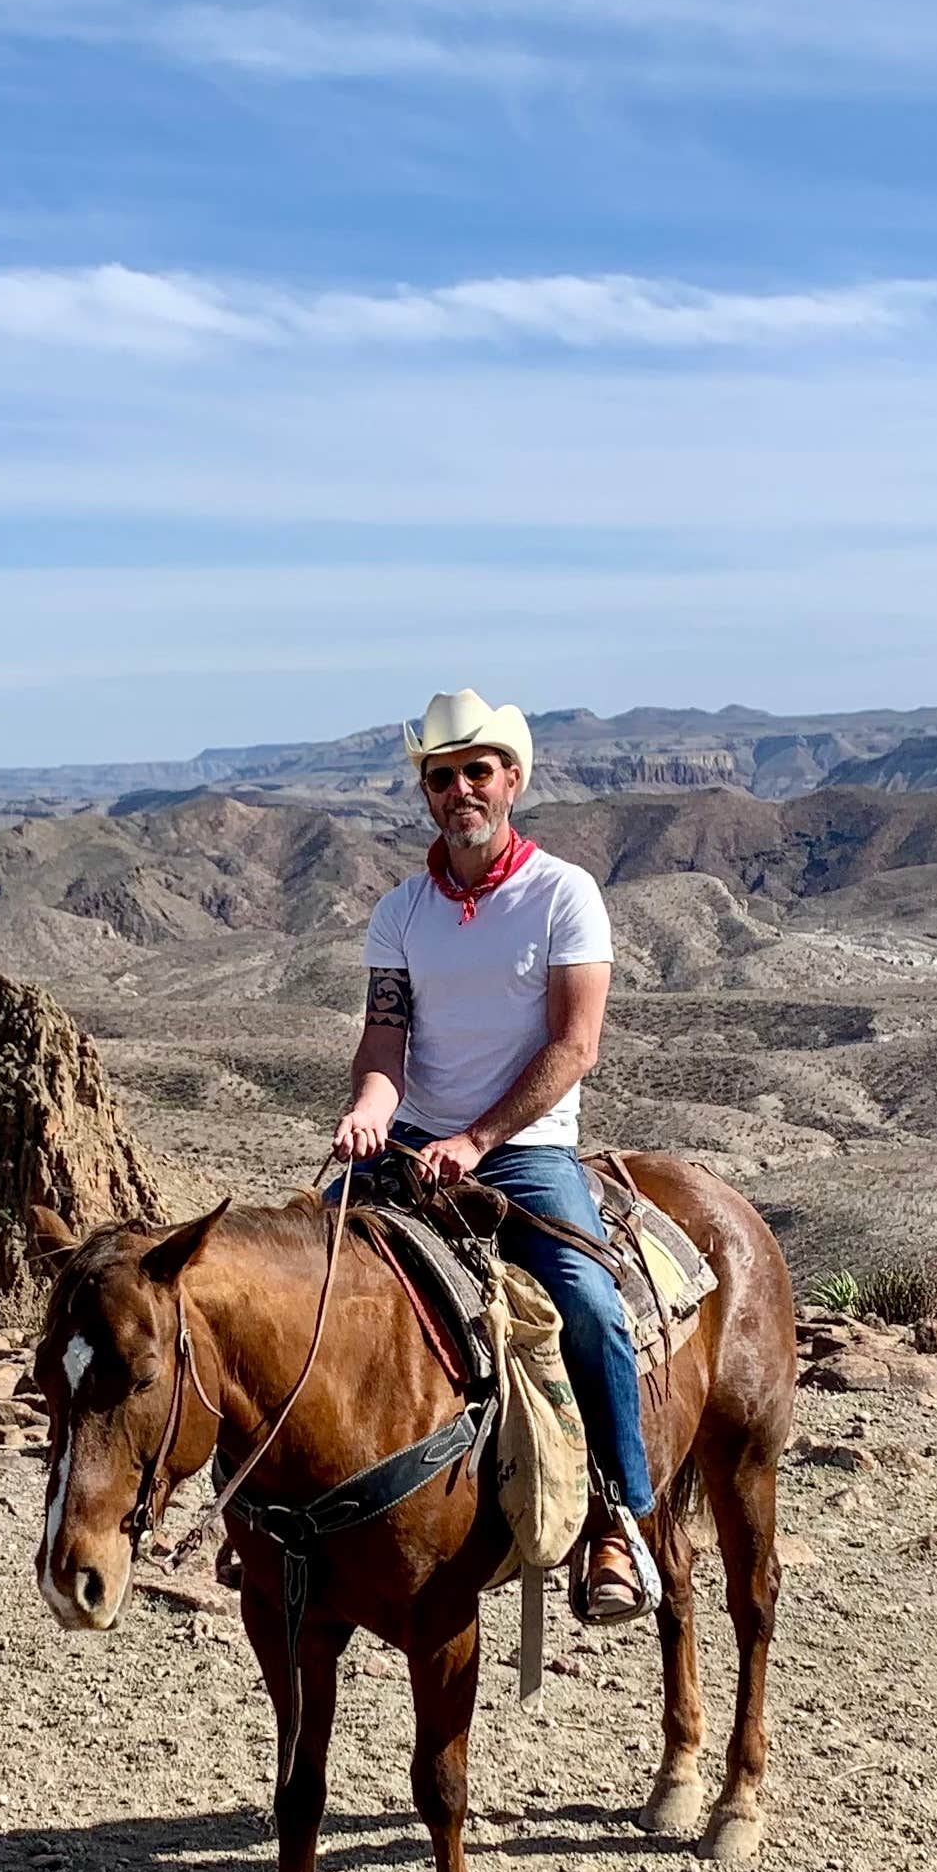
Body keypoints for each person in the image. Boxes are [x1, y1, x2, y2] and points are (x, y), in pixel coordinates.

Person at [331, 691, 660, 1625]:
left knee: (590, 1304)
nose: (461, 788)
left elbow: (573, 1045)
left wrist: (475, 1141)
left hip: (523, 1152)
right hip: (410, 1141)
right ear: (427, 794)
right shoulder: (399, 912)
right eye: (443, 776)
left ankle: (617, 1517)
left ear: (512, 780)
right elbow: (386, 1042)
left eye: (478, 770)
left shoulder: (564, 894)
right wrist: (367, 1110)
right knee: (302, 1277)